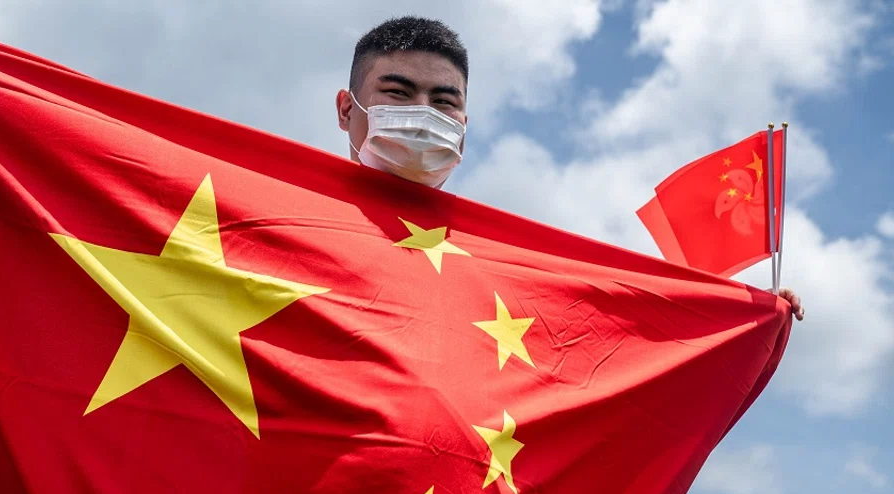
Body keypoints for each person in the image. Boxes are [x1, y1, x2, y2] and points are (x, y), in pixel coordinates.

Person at [335, 16, 804, 321]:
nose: (424, 113)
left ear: (463, 125)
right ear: (345, 110)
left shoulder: (511, 264)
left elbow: (617, 326)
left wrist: (747, 313)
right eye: (398, 93)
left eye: (443, 101)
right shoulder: (273, 222)